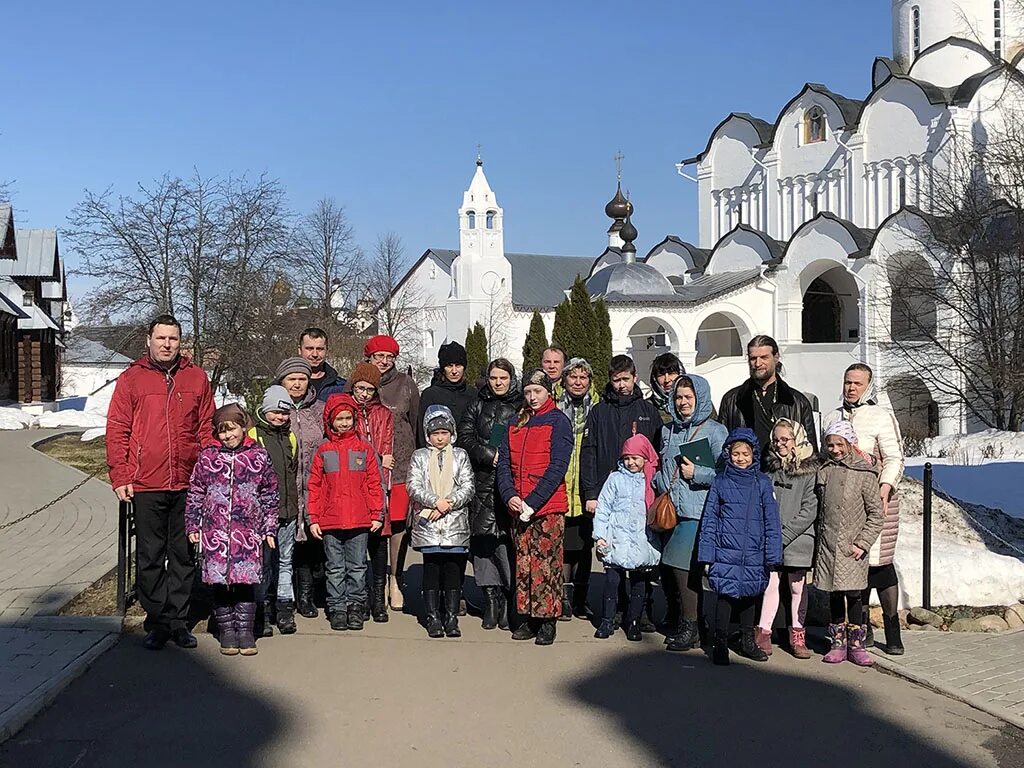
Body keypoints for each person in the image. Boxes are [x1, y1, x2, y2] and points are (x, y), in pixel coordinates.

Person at [106, 314, 215, 651]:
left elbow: (206, 427)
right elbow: (117, 429)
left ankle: (179, 622)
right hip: (147, 482)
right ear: (148, 341)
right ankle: (158, 621)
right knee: (151, 555)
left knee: (183, 554)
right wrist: (121, 475)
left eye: (173, 339)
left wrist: (207, 472)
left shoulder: (196, 378)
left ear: (180, 342)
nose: (167, 344)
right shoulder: (131, 380)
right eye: (161, 338)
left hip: (187, 482)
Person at [822, 363, 905, 656]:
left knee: (879, 565)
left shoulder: (881, 416)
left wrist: (885, 488)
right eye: (847, 382)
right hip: (843, 505)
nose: (851, 388)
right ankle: (862, 627)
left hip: (877, 499)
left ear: (868, 386)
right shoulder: (832, 416)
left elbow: (895, 457)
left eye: (857, 383)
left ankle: (892, 626)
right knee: (853, 564)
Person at [186, 404, 279, 656]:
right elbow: (196, 491)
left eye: (232, 429)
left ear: (243, 427)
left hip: (247, 532)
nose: (228, 436)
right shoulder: (208, 457)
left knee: (244, 582)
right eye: (222, 432)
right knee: (219, 583)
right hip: (216, 531)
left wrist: (269, 527)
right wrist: (193, 524)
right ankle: (227, 631)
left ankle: (246, 631)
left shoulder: (258, 456)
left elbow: (269, 493)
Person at [581, 354, 662, 630]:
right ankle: (614, 611)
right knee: (614, 559)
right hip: (610, 495)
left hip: (642, 497)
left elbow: (657, 452)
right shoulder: (599, 411)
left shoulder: (647, 410)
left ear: (635, 377)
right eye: (616, 380)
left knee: (641, 557)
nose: (621, 385)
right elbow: (588, 453)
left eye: (626, 379)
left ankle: (642, 612)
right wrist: (591, 493)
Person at [497, 368, 573, 645]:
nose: (532, 397)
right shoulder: (515, 422)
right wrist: (509, 495)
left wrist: (534, 501)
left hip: (547, 506)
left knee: (546, 564)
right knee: (524, 564)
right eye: (528, 392)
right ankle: (527, 616)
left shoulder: (558, 422)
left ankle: (547, 619)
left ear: (548, 392)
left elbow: (557, 468)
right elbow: (503, 464)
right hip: (519, 506)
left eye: (537, 391)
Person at [654, 374, 728, 652]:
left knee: (682, 567)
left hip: (698, 509)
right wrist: (658, 482)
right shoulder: (667, 430)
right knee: (672, 567)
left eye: (688, 397)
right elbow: (663, 466)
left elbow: (725, 472)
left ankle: (691, 626)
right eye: (678, 397)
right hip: (671, 507)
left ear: (700, 398)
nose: (683, 402)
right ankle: (693, 622)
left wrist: (696, 473)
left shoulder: (715, 430)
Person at [698, 428, 782, 666]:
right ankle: (720, 643)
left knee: (750, 597)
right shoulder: (720, 481)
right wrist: (707, 555)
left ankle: (747, 641)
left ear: (753, 454)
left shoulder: (762, 483)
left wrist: (773, 556)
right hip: (725, 551)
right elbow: (710, 520)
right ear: (728, 454)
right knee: (724, 597)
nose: (741, 458)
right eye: (736, 453)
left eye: (745, 453)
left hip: (753, 551)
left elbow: (772, 521)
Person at [306, 394, 385, 632]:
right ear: (330, 420)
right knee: (335, 567)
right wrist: (313, 518)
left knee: (358, 567)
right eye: (339, 418)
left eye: (348, 418)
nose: (344, 423)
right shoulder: (323, 449)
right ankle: (337, 607)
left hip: (359, 520)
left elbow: (374, 483)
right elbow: (314, 486)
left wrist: (376, 513)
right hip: (330, 521)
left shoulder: (364, 449)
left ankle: (355, 606)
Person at [457, 358, 522, 631]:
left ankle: (508, 599)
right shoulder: (476, 403)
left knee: (506, 544)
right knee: (483, 542)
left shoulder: (520, 405)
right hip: (481, 479)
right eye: (494, 378)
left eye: (503, 378)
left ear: (511, 379)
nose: (498, 383)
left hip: (509, 482)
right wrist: (487, 454)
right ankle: (490, 598)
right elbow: (464, 436)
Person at [815, 420, 885, 667]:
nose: (834, 449)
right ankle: (837, 642)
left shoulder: (864, 474)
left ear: (850, 443)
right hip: (828, 545)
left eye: (839, 444)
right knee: (834, 594)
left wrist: (862, 543)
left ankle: (856, 643)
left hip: (853, 547)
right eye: (830, 444)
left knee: (854, 594)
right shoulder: (824, 470)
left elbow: (877, 514)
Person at [408, 406, 476, 638]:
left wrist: (449, 502)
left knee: (453, 570)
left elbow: (468, 486)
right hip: (429, 524)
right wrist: (436, 501)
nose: (440, 437)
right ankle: (433, 616)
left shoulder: (460, 456)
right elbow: (413, 486)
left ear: (451, 433)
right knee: (432, 569)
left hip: (454, 523)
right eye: (435, 433)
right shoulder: (420, 456)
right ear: (428, 434)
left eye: (444, 433)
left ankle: (451, 616)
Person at [755, 418, 819, 659]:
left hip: (799, 540)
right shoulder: (770, 469)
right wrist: (773, 534)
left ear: (797, 440)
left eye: (785, 439)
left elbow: (809, 509)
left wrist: (786, 534)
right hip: (773, 538)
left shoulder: (809, 471)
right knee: (770, 585)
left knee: (797, 587)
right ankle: (763, 632)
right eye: (776, 440)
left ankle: (798, 634)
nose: (780, 444)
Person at [367, 335, 420, 611]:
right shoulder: (361, 384)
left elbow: (416, 424)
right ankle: (375, 581)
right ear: (369, 358)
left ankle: (395, 579)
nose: (385, 361)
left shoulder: (406, 385)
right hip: (370, 469)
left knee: (399, 524)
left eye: (389, 357)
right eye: (379, 356)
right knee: (375, 525)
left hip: (401, 467)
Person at [593, 434, 662, 641]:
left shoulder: (651, 479)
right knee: (612, 582)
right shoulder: (615, 478)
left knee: (639, 583)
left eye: (636, 458)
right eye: (627, 458)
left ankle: (634, 621)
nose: (631, 462)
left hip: (642, 540)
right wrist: (600, 535)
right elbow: (603, 507)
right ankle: (607, 619)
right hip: (616, 540)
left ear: (645, 458)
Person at [274, 357, 327, 620]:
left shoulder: (319, 409)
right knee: (284, 546)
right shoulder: (274, 409)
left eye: (302, 378)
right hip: (284, 489)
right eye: (291, 378)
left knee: (308, 545)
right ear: (282, 381)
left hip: (314, 487)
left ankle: (306, 597)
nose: (297, 383)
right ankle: (282, 597)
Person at [718, 335, 818, 468]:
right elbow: (722, 447)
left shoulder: (797, 402)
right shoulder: (732, 400)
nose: (758, 364)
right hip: (745, 478)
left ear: (776, 357)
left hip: (785, 479)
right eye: (753, 358)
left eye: (764, 357)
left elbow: (810, 450)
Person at [248, 385, 300, 636]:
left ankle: (284, 608)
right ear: (265, 410)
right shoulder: (253, 436)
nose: (280, 417)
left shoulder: (290, 437)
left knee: (286, 561)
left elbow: (293, 471)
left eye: (285, 413)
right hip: (262, 515)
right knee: (264, 563)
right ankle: (262, 610)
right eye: (276, 412)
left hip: (288, 511)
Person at [347, 362, 395, 623]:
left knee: (379, 541)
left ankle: (378, 596)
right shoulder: (346, 410)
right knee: (357, 542)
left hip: (378, 482)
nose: (364, 394)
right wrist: (376, 457)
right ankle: (360, 596)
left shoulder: (383, 413)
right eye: (360, 388)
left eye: (369, 389)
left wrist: (382, 465)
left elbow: (388, 447)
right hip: (354, 482)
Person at [555, 357, 601, 620]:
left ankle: (581, 599)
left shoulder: (596, 408)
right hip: (561, 485)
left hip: (587, 486)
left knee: (584, 546)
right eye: (573, 377)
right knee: (563, 545)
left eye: (583, 377)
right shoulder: (556, 407)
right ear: (565, 379)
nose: (578, 382)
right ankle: (563, 598)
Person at [416, 341, 477, 448]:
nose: (454, 371)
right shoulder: (430, 394)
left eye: (458, 365)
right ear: (443, 368)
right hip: (437, 454)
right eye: (449, 366)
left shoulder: (473, 394)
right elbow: (422, 431)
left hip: (468, 456)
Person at [298, 327, 347, 402]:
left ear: (327, 351)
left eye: (320, 349)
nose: (315, 354)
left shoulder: (341, 387)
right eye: (309, 349)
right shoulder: (285, 385)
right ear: (300, 350)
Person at [648, 352, 685, 425]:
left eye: (671, 373)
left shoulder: (696, 403)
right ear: (654, 378)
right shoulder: (647, 407)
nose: (667, 380)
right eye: (661, 375)